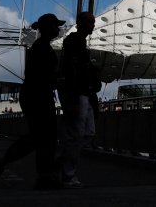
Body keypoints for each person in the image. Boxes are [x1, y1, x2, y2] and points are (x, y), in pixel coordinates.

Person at [0, 13, 64, 190]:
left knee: (40, 137)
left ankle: (41, 174)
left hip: (35, 94)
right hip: (39, 95)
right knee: (43, 136)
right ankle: (43, 175)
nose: (58, 29)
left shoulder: (40, 46)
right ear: (47, 28)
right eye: (55, 26)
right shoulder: (42, 48)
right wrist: (57, 79)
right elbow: (42, 76)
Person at [58, 11, 101, 188]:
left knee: (87, 132)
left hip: (84, 93)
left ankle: (64, 162)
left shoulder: (79, 42)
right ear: (81, 23)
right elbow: (72, 71)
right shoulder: (74, 42)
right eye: (90, 22)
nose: (93, 25)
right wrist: (73, 97)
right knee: (77, 133)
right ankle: (67, 173)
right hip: (78, 93)